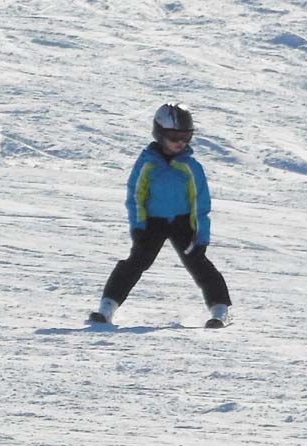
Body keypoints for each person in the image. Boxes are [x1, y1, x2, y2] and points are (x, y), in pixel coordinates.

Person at [88, 104, 232, 329]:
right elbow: (136, 195)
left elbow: (200, 204)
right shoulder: (148, 163)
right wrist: (139, 226)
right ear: (160, 133)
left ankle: (220, 309)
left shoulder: (191, 167)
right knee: (136, 262)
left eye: (185, 137)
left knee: (198, 263)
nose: (180, 143)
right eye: (174, 136)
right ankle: (106, 308)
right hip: (153, 223)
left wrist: (201, 236)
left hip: (183, 222)